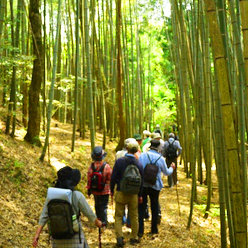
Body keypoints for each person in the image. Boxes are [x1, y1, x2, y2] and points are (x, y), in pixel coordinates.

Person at [32, 166, 102, 248]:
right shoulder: (77, 195)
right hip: (74, 238)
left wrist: (37, 234)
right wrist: (98, 223)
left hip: (57, 238)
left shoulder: (51, 196)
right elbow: (89, 214)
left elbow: (44, 216)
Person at [138, 139, 175, 236]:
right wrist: (172, 168)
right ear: (159, 147)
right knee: (154, 207)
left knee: (141, 207)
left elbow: (139, 169)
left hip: (144, 185)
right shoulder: (161, 159)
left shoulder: (143, 155)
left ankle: (140, 230)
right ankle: (154, 229)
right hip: (155, 186)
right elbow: (166, 173)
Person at [111, 140, 144, 247]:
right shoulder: (138, 163)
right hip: (134, 194)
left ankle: (119, 238)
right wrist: (140, 195)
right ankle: (134, 238)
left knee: (118, 216)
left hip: (121, 192)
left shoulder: (119, 161)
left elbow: (113, 177)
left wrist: (111, 190)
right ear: (136, 150)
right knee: (134, 215)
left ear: (127, 148)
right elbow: (141, 181)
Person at [87, 146, 112, 227]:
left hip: (95, 190)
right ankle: (104, 222)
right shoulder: (106, 166)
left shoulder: (91, 167)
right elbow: (110, 178)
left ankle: (98, 221)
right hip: (105, 190)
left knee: (97, 205)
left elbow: (89, 178)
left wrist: (89, 189)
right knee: (104, 206)